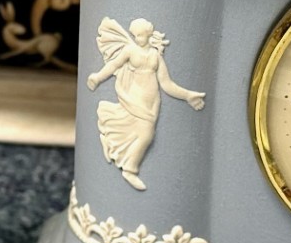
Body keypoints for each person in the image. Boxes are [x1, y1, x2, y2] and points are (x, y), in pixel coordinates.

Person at [86, 17, 205, 190]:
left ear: (148, 34)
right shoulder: (130, 51)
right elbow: (113, 66)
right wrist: (97, 77)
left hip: (152, 102)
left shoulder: (155, 56)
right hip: (134, 97)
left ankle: (111, 143)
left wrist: (188, 95)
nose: (137, 39)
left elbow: (167, 84)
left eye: (140, 35)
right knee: (147, 135)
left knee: (137, 131)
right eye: (135, 36)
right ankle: (129, 170)